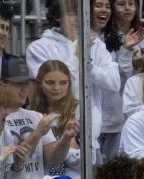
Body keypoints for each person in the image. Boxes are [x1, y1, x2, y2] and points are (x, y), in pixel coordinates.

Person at [27, 0, 119, 160]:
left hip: (90, 139)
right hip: (54, 138)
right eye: (71, 14)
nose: (77, 19)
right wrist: (77, 55)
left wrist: (89, 68)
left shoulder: (96, 44)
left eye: (81, 13)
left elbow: (114, 83)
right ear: (57, 16)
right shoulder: (39, 47)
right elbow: (61, 87)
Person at [101, 0, 144, 159]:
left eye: (131, 3)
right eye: (121, 4)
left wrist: (141, 66)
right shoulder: (103, 36)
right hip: (105, 109)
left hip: (128, 113)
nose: (128, 8)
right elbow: (112, 77)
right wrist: (126, 52)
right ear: (113, 8)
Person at [30, 60, 83, 179]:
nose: (56, 88)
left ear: (70, 83)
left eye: (63, 83)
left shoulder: (80, 111)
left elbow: (90, 156)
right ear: (39, 83)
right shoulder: (32, 113)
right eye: (50, 82)